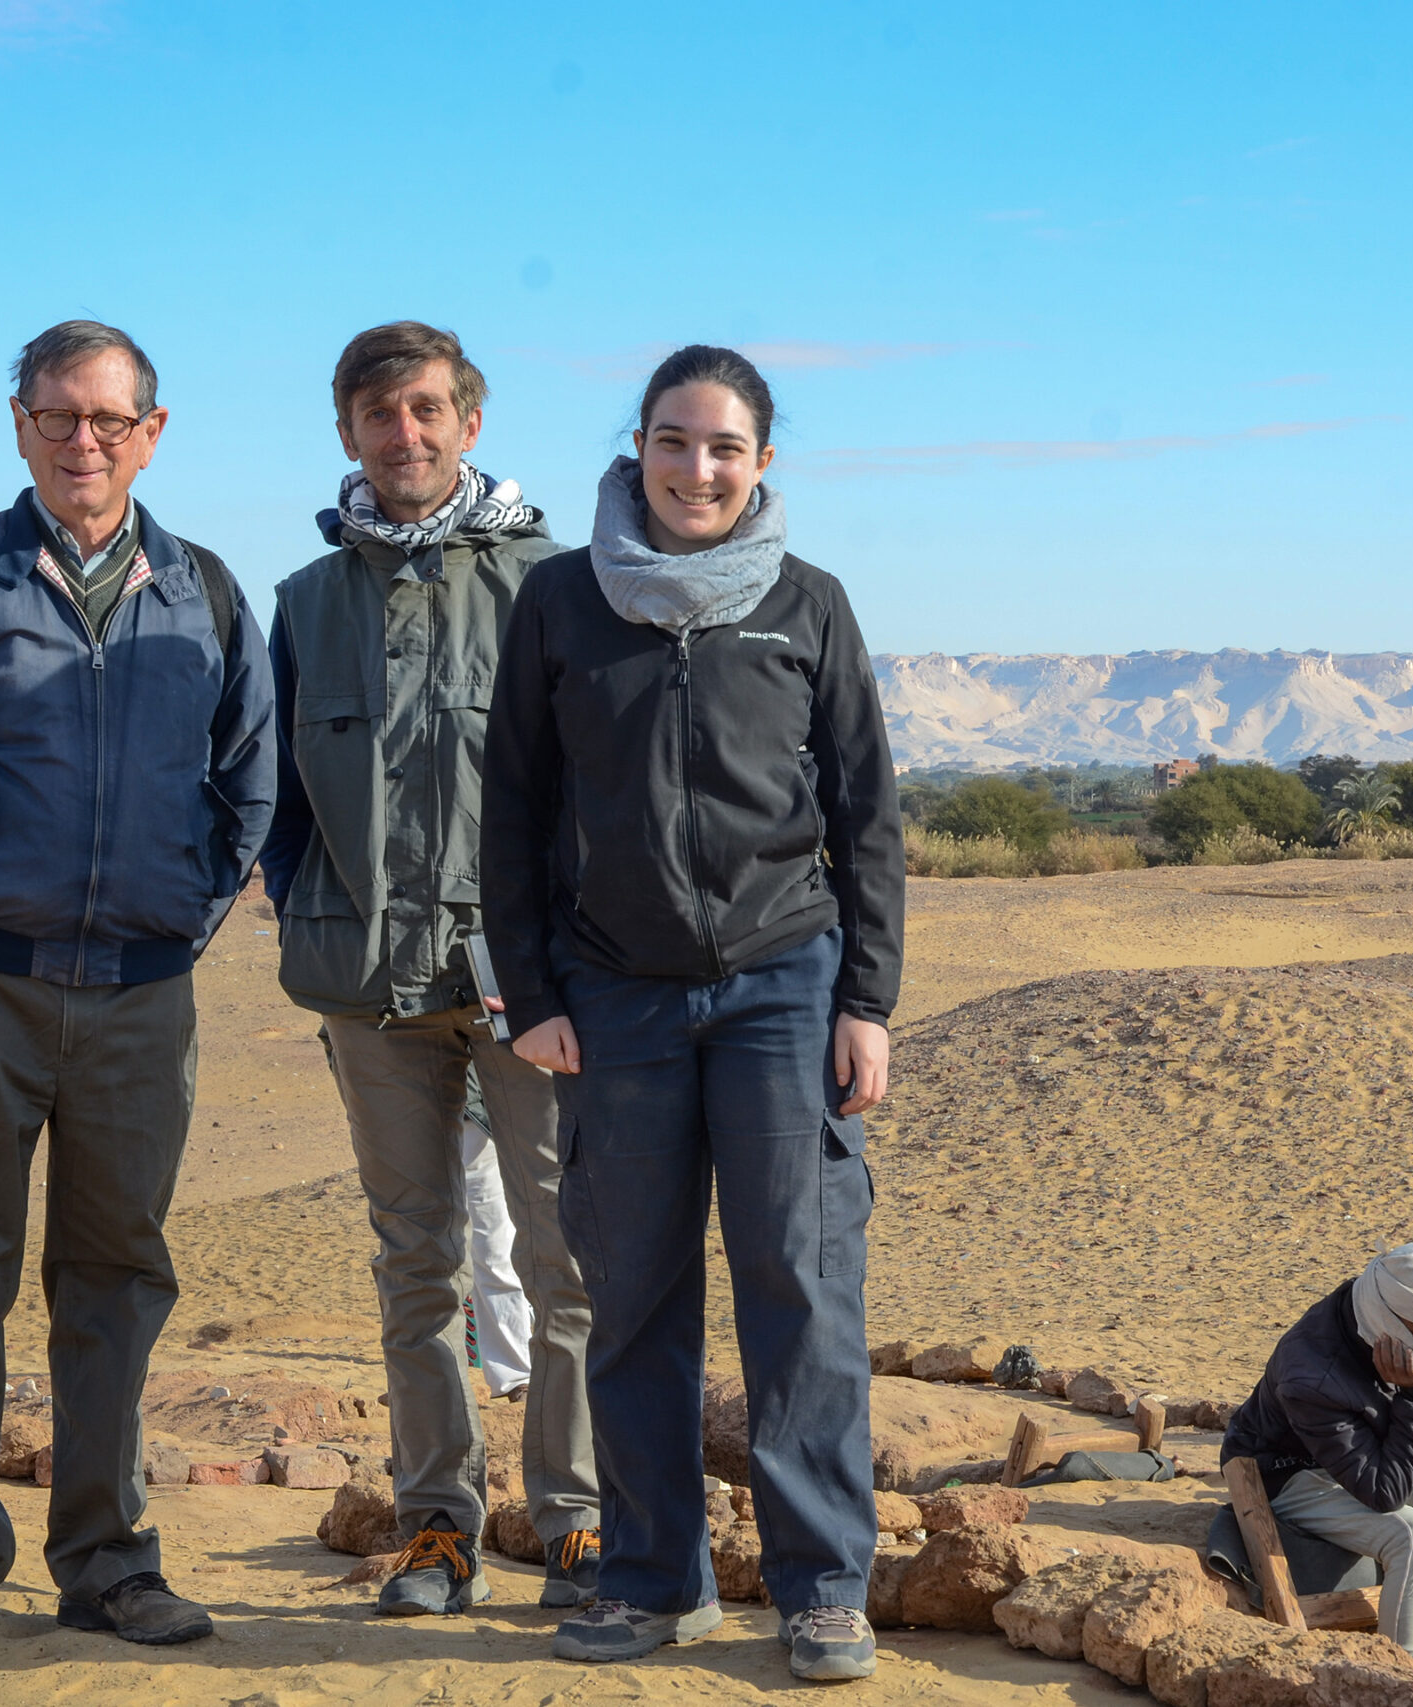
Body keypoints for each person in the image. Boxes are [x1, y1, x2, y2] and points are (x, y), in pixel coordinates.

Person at [0, 321, 274, 1669]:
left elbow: (247, 783)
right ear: (19, 424)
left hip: (143, 996)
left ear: (153, 430)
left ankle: (108, 1562)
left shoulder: (202, 589)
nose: (83, 439)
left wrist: (176, 921)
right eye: (57, 415)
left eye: (109, 417)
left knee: (116, 1277)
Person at [481, 345, 905, 1682]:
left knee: (800, 1289)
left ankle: (824, 1585)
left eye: (725, 447)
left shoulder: (808, 604)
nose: (697, 468)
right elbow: (512, 813)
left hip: (785, 979)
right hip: (617, 997)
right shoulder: (561, 600)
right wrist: (536, 991)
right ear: (639, 445)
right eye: (674, 441)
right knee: (638, 1293)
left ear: (763, 461)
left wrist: (868, 999)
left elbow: (866, 816)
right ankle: (656, 1575)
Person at [260, 322, 598, 1616]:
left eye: (428, 409)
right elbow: (275, 791)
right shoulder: (304, 600)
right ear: (347, 432)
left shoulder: (556, 583)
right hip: (371, 993)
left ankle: (572, 1522)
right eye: (380, 414)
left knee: (569, 1259)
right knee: (419, 1265)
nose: (406, 434)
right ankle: (438, 1528)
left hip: (535, 988)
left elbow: (600, 785)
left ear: (469, 420)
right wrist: (299, 901)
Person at [1219, 1245, 1413, 1673]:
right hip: (1288, 1472)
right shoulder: (1312, 1372)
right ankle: (1400, 1687)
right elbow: (1385, 1493)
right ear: (1385, 1320)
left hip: (1379, 1457)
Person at [460, 1067, 536, 1401]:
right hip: (404, 1115)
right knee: (413, 1251)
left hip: (473, 1114)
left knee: (493, 1246)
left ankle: (517, 1375)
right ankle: (419, 1379)